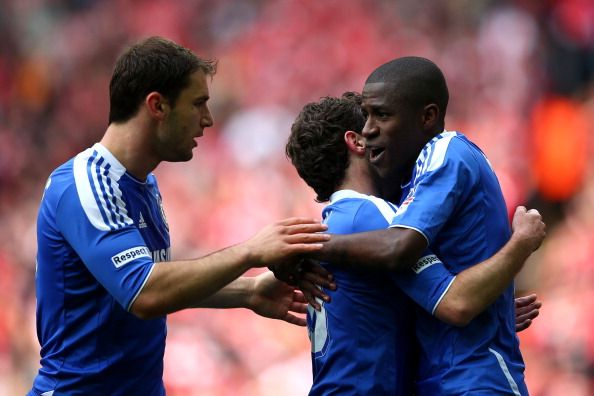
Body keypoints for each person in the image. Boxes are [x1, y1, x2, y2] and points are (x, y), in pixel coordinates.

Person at [28, 36, 330, 396]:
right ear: (157, 105)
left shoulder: (143, 185)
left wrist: (247, 291)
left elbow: (149, 282)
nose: (208, 119)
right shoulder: (84, 185)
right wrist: (251, 251)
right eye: (198, 103)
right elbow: (145, 293)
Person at [288, 57, 541, 395]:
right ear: (355, 143)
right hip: (467, 380)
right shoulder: (376, 218)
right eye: (366, 117)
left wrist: (494, 304)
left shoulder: (341, 220)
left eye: (380, 115)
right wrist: (521, 244)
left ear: (427, 115)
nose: (370, 129)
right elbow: (455, 301)